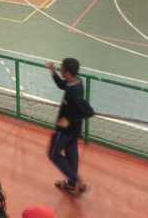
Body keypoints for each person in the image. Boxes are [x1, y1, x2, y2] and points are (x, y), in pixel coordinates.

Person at [45, 58, 94, 196]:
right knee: (72, 156)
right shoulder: (75, 81)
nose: (60, 69)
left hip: (65, 131)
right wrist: (53, 72)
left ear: (67, 73)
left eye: (61, 68)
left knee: (54, 155)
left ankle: (77, 181)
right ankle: (72, 186)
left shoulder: (75, 93)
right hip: (75, 130)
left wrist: (68, 118)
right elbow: (62, 85)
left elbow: (89, 111)